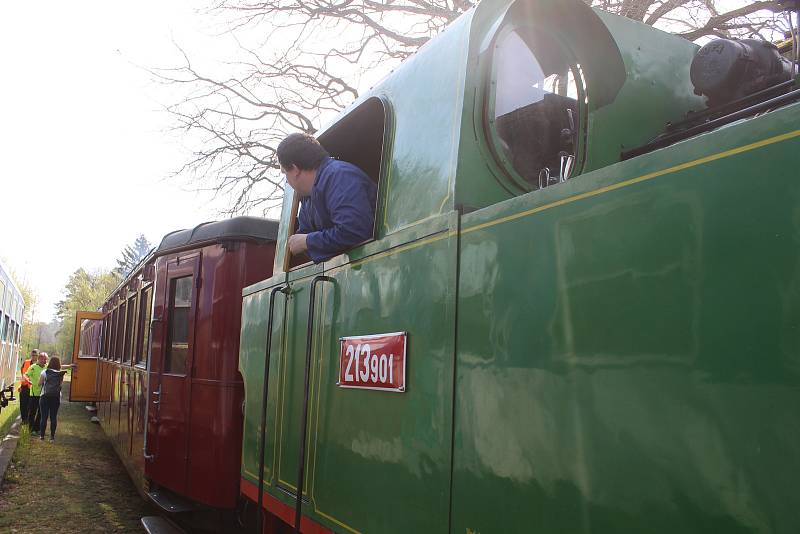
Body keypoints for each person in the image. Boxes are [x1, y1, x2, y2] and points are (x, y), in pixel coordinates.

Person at [277, 133, 377, 263]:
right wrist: (307, 242)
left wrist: (308, 241)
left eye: (285, 173)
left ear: (295, 169)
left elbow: (354, 231)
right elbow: (306, 236)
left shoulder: (339, 176)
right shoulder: (308, 198)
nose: (287, 181)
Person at [38, 356, 75, 442]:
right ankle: (52, 437)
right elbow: (60, 385)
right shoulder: (60, 373)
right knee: (53, 417)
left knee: (44, 417)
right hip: (56, 397)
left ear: (50, 363)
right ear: (59, 364)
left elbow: (39, 384)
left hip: (44, 396)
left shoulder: (44, 372)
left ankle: (42, 436)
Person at [25, 351, 48, 432]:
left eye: (46, 360)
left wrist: (70, 366)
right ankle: (30, 429)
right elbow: (26, 375)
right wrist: (28, 380)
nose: (45, 361)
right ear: (39, 359)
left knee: (41, 413)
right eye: (44, 359)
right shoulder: (33, 367)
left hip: (43, 394)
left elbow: (58, 367)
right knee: (32, 412)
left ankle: (36, 429)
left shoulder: (47, 367)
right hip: (34, 394)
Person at [18, 349, 37, 424]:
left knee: (31, 405)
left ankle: (29, 420)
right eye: (32, 355)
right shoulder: (26, 362)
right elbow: (22, 372)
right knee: (23, 404)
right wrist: (21, 385)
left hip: (33, 388)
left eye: (35, 355)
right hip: (24, 386)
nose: (33, 356)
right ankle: (24, 420)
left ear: (38, 356)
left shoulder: (40, 365)